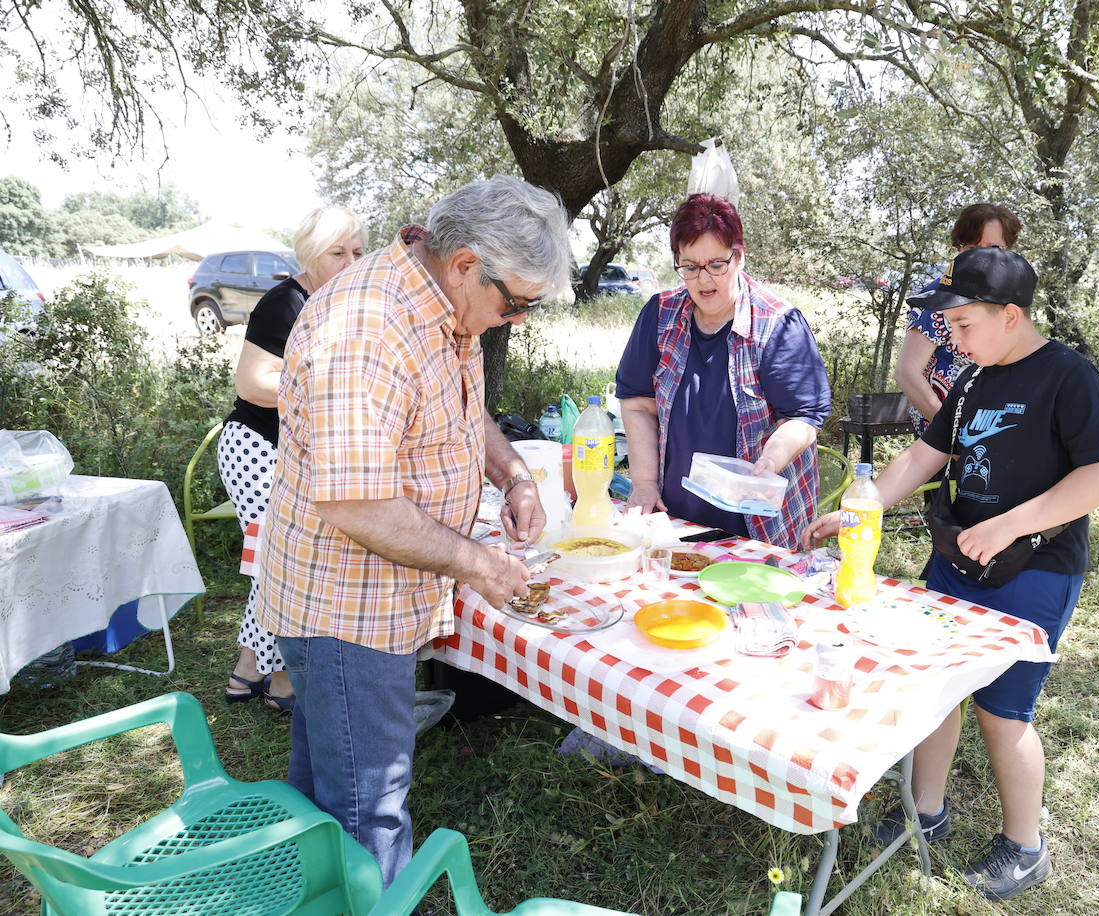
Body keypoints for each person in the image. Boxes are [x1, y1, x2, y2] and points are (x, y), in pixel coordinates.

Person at [255, 175, 572, 885]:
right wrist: (478, 565)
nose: (515, 319)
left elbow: (460, 413)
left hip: (377, 601)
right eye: (514, 302)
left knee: (324, 794)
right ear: (464, 264)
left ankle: (316, 896)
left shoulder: (443, 306)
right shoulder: (369, 327)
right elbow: (357, 505)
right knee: (371, 810)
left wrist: (513, 473)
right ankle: (368, 898)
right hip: (343, 609)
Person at [804, 247, 1099, 901]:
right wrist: (854, 510)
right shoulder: (976, 380)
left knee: (1002, 712)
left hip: (1035, 569)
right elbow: (922, 457)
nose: (952, 339)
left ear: (1011, 316)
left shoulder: (1067, 376)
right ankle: (927, 811)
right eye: (947, 327)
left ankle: (1025, 848)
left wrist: (1012, 524)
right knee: (934, 687)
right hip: (956, 562)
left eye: (963, 325)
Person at [615, 194, 830, 551]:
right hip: (677, 519)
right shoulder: (660, 315)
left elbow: (803, 419)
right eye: (690, 266)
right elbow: (637, 403)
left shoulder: (778, 324)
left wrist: (770, 461)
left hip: (760, 527)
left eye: (717, 264)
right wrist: (644, 482)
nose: (704, 280)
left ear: (739, 257)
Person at [219, 205, 367, 713]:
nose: (350, 262)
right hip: (256, 447)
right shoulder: (287, 300)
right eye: (337, 252)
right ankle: (282, 682)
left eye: (357, 251)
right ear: (310, 253)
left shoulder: (341, 302)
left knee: (274, 562)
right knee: (282, 564)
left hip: (297, 453)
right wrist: (323, 389)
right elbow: (252, 382)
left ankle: (245, 673)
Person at [894, 203, 1021, 436]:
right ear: (959, 248)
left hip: (996, 431)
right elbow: (906, 373)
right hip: (947, 435)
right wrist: (952, 434)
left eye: (994, 247)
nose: (982, 256)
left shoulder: (1007, 301)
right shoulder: (936, 300)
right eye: (972, 246)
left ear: (1008, 251)